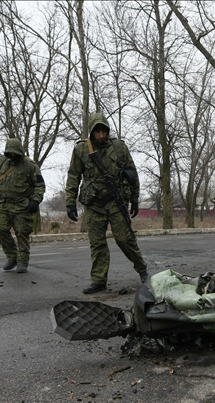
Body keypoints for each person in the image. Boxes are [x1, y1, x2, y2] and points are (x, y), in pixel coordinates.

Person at [65, 112, 148, 294]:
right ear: (92, 132)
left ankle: (143, 270)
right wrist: (70, 201)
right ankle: (99, 280)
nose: (101, 135)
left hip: (116, 202)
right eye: (97, 132)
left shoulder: (119, 147)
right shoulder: (81, 149)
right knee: (97, 243)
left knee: (125, 239)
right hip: (94, 204)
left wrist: (134, 199)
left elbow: (132, 173)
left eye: (104, 131)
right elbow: (73, 175)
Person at [0, 138, 45, 273]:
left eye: (15, 153)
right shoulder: (1, 163)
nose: (12, 155)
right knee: (0, 229)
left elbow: (39, 186)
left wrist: (35, 200)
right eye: (10, 153)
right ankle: (12, 256)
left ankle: (23, 261)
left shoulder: (30, 165)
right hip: (3, 204)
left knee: (22, 233)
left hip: (22, 205)